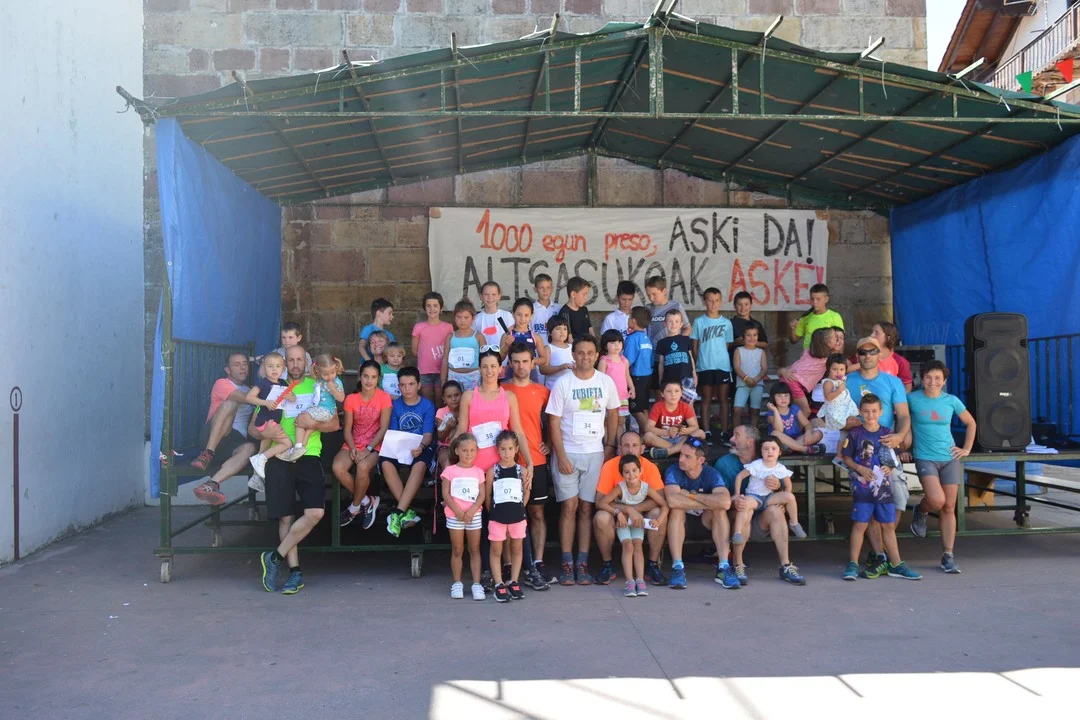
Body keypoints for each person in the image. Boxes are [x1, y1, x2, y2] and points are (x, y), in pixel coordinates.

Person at [259, 345, 340, 595]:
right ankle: (294, 572)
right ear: (285, 363)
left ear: (307, 362)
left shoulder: (318, 384)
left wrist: (310, 421)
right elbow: (254, 427)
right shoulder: (274, 388)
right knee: (286, 517)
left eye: (299, 360)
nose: (295, 364)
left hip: (308, 454)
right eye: (291, 360)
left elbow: (335, 424)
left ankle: (274, 557)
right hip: (279, 455)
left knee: (315, 513)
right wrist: (264, 432)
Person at [546, 335, 621, 585]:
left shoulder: (605, 382)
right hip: (568, 452)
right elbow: (553, 422)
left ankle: (583, 562)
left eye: (590, 353)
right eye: (580, 353)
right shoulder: (563, 383)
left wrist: (610, 445)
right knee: (569, 507)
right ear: (573, 355)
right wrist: (561, 456)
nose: (585, 357)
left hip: (595, 453)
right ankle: (567, 563)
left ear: (597, 355)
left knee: (587, 507)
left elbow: (613, 414)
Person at [839, 394, 922, 581]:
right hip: (862, 488)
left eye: (874, 411)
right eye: (866, 411)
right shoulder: (855, 434)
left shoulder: (887, 434)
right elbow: (846, 458)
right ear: (860, 412)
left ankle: (896, 564)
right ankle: (852, 564)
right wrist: (860, 468)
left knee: (888, 525)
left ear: (881, 412)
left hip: (884, 488)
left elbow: (894, 457)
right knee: (860, 524)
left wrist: (889, 467)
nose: (870, 415)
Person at [850, 335, 912, 576]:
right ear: (857, 356)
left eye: (872, 351)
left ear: (880, 354)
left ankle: (885, 550)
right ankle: (882, 555)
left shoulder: (892, 381)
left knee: (898, 497)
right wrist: (845, 424)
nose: (867, 356)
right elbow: (833, 414)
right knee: (868, 499)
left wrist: (900, 436)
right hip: (860, 451)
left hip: (886, 447)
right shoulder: (846, 381)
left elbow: (904, 415)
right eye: (862, 352)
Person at [714, 425, 806, 586]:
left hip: (761, 518)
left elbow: (784, 486)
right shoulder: (724, 463)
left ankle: (785, 565)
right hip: (736, 518)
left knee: (776, 511)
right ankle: (738, 565)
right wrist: (734, 500)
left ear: (750, 442)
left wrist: (778, 487)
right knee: (745, 508)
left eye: (736, 435)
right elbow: (718, 497)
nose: (731, 439)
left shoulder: (768, 458)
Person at [908, 360, 976, 574]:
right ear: (922, 378)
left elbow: (971, 423)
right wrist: (903, 446)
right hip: (924, 457)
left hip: (949, 457)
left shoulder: (951, 400)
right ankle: (921, 510)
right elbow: (900, 421)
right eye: (928, 377)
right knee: (937, 500)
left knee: (949, 506)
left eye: (938, 378)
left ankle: (948, 555)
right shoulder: (912, 399)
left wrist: (966, 448)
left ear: (944, 381)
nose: (933, 382)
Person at [503, 344, 556, 590]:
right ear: (509, 363)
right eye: (515, 361)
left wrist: (549, 444)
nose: (520, 366)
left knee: (537, 513)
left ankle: (537, 561)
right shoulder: (502, 390)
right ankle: (508, 565)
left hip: (537, 459)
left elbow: (553, 422)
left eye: (525, 361)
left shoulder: (543, 391)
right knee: (508, 516)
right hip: (508, 461)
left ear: (533, 362)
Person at [592, 431, 669, 586]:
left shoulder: (649, 467)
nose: (630, 449)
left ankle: (652, 565)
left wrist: (635, 510)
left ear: (642, 448)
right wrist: (626, 510)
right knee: (601, 517)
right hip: (617, 515)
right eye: (626, 445)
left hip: (642, 514)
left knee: (658, 513)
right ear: (619, 448)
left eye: (634, 445)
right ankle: (607, 565)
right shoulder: (610, 466)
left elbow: (660, 500)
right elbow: (599, 501)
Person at [662, 439, 740, 590]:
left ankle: (723, 567)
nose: (681, 459)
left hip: (705, 523)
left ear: (701, 460)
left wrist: (691, 496)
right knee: (677, 509)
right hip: (680, 524)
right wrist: (710, 501)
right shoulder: (674, 470)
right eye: (681, 454)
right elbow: (672, 500)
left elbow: (725, 502)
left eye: (687, 456)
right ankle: (677, 567)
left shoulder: (711, 473)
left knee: (719, 510)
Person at [191, 352, 257, 505]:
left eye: (245, 364)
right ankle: (207, 453)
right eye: (237, 365)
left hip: (233, 442)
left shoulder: (250, 390)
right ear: (227, 370)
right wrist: (263, 395)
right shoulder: (222, 383)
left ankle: (211, 484)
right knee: (230, 403)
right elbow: (245, 399)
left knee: (250, 448)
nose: (242, 368)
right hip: (214, 436)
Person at [333, 360, 391, 529]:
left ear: (378, 378)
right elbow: (347, 429)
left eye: (373, 377)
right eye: (366, 376)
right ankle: (367, 500)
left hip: (376, 444)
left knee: (363, 467)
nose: (369, 380)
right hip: (354, 442)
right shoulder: (351, 399)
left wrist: (368, 449)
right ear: (360, 376)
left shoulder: (384, 397)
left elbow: (384, 428)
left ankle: (354, 507)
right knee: (338, 467)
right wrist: (352, 448)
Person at [380, 367, 436, 537]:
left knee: (420, 465)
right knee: (385, 462)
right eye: (403, 385)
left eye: (411, 384)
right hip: (400, 445)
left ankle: (397, 513)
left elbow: (428, 435)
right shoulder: (395, 405)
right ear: (399, 386)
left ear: (419, 385)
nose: (407, 389)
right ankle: (406, 511)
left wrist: (421, 447)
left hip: (421, 446)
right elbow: (395, 433)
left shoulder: (427, 405)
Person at [731, 436, 805, 544]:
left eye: (773, 449)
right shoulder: (756, 465)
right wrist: (737, 494)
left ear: (780, 452)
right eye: (766, 449)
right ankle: (738, 532)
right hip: (754, 497)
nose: (770, 451)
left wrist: (783, 502)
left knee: (790, 497)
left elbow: (788, 486)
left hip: (769, 498)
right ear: (761, 451)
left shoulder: (780, 468)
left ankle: (794, 523)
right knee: (744, 504)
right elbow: (739, 477)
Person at [486, 430, 531, 602]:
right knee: (496, 550)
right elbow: (488, 495)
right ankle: (499, 583)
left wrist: (520, 508)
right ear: (497, 450)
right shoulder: (493, 471)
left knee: (517, 549)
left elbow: (526, 492)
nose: (507, 453)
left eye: (510, 448)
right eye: (503, 449)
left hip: (517, 517)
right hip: (497, 518)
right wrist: (493, 513)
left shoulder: (522, 471)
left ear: (516, 449)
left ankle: (514, 580)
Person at [442, 433, 487, 601]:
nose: (469, 454)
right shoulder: (450, 471)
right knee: (457, 549)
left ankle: (476, 584)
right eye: (465, 450)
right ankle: (457, 583)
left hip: (474, 515)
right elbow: (446, 494)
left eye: (472, 450)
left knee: (474, 549)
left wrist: (472, 511)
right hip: (455, 516)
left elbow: (482, 495)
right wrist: (458, 511)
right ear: (457, 451)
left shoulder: (478, 472)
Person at [691, 287, 734, 441]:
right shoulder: (699, 322)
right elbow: (694, 346)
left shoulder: (726, 323)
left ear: (720, 302)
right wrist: (699, 362)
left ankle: (724, 432)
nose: (713, 304)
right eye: (710, 300)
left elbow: (727, 345)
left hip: (722, 366)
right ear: (704, 302)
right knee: (706, 399)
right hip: (704, 366)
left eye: (716, 301)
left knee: (723, 399)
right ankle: (707, 432)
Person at [244, 352, 292, 486]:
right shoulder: (263, 383)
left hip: (273, 421)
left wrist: (291, 397)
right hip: (265, 421)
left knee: (264, 448)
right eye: (270, 366)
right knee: (287, 443)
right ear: (264, 368)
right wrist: (265, 403)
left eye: (278, 366)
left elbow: (293, 398)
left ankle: (256, 478)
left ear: (283, 369)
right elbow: (249, 397)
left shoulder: (283, 383)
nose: (274, 369)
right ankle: (262, 458)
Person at [288, 354, 344, 461]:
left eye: (332, 372)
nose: (330, 377)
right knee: (308, 427)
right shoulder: (319, 380)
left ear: (336, 368)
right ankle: (301, 448)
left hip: (326, 411)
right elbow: (312, 375)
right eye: (326, 374)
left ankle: (298, 447)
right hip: (318, 409)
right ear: (318, 371)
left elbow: (341, 398)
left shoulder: (336, 382)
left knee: (300, 419)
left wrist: (333, 389)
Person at [776, 327, 840, 417]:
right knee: (805, 411)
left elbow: (797, 366)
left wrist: (782, 371)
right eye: (834, 337)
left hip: (789, 378)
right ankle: (794, 427)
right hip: (793, 381)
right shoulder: (827, 360)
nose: (837, 339)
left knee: (792, 410)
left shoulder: (808, 351)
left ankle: (789, 424)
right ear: (827, 342)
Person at [643, 380, 706, 456]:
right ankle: (678, 450)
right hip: (663, 440)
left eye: (676, 391)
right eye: (669, 391)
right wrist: (666, 432)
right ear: (662, 394)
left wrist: (686, 431)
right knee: (647, 436)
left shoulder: (685, 406)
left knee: (700, 433)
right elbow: (648, 428)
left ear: (681, 393)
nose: (673, 394)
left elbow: (695, 427)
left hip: (680, 439)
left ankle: (669, 452)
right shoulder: (657, 406)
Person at [412, 291, 454, 406]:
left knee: (441, 402)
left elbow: (451, 348)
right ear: (424, 308)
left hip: (442, 370)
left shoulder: (448, 327)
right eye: (428, 306)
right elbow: (414, 351)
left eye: (435, 305)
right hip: (425, 371)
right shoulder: (419, 327)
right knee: (428, 403)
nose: (432, 309)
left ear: (441, 308)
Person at [847, 321, 912, 391]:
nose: (871, 335)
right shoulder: (863, 354)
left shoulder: (900, 362)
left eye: (876, 333)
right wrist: (863, 364)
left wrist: (895, 396)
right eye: (872, 332)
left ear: (888, 337)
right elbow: (845, 367)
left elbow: (907, 388)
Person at [499, 297, 549, 383]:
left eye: (526, 315)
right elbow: (499, 358)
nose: (522, 319)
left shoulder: (536, 337)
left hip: (531, 373)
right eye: (519, 315)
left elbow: (544, 359)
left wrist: (532, 361)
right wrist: (506, 347)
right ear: (513, 314)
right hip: (511, 372)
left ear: (531, 316)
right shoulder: (506, 336)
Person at [766, 383, 824, 455]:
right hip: (781, 441)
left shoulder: (794, 408)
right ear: (773, 398)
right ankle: (804, 449)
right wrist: (775, 410)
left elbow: (807, 424)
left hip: (797, 439)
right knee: (775, 433)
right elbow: (779, 430)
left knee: (818, 433)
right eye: (779, 396)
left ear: (790, 397)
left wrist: (808, 433)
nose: (783, 399)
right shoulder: (771, 413)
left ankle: (791, 449)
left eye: (786, 395)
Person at [441, 298, 485, 392]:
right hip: (454, 376)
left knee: (472, 400)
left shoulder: (478, 337)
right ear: (454, 318)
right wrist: (443, 381)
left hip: (474, 377)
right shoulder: (450, 337)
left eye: (466, 317)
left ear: (473, 318)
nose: (462, 320)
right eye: (459, 317)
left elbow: (485, 359)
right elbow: (445, 359)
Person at [789, 283, 844, 349]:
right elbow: (794, 340)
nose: (814, 302)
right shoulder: (805, 317)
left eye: (818, 299)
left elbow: (840, 343)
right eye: (812, 299)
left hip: (827, 355)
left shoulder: (834, 316)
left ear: (826, 299)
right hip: (807, 355)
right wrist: (792, 329)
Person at [655, 308, 696, 394]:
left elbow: (690, 358)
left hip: (686, 376)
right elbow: (661, 363)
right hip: (669, 379)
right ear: (665, 323)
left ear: (681, 324)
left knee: (689, 401)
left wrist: (694, 374)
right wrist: (660, 379)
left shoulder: (686, 339)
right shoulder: (662, 342)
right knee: (671, 400)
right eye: (670, 321)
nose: (673, 324)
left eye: (676, 321)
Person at [732, 326, 767, 428]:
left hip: (757, 384)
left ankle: (753, 432)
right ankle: (736, 432)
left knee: (755, 410)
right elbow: (737, 367)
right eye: (748, 335)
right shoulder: (739, 350)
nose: (752, 338)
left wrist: (756, 379)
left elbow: (764, 368)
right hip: (742, 384)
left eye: (754, 335)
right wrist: (746, 378)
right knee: (737, 409)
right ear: (743, 337)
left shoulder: (761, 352)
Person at [598, 329, 633, 427]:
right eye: (612, 343)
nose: (617, 345)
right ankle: (608, 437)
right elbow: (600, 380)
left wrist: (632, 388)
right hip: (608, 396)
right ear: (605, 345)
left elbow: (627, 375)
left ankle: (620, 438)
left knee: (620, 421)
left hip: (622, 396)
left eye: (619, 342)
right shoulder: (604, 361)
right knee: (607, 421)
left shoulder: (624, 360)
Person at [815, 353, 860, 432]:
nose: (838, 372)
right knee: (850, 424)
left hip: (843, 407)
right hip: (835, 411)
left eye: (841, 370)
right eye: (835, 369)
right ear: (828, 369)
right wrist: (839, 390)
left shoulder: (840, 380)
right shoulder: (828, 382)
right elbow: (828, 397)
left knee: (857, 419)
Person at [644, 275, 690, 344]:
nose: (651, 298)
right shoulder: (646, 309)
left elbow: (688, 328)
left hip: (671, 348)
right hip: (652, 349)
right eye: (648, 295)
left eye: (654, 294)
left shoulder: (676, 306)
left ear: (664, 291)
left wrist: (678, 342)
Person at [435, 380, 463, 477]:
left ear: (462, 394)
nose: (454, 399)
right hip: (445, 446)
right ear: (444, 398)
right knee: (447, 461)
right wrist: (448, 427)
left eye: (456, 395)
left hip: (464, 445)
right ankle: (447, 484)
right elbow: (441, 438)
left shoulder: (466, 409)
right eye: (449, 396)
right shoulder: (441, 412)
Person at [473, 281, 514, 345]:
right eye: (486, 294)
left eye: (494, 294)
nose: (490, 297)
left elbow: (512, 337)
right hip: (484, 351)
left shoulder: (507, 316)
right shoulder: (476, 318)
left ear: (499, 296)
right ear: (481, 296)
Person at [540, 315, 574, 390]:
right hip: (553, 388)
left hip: (570, 387)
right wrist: (560, 367)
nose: (562, 332)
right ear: (550, 332)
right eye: (558, 329)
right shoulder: (548, 348)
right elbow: (543, 369)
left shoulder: (572, 347)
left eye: (565, 329)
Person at [557, 276, 593, 342]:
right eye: (584, 294)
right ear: (573, 294)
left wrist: (594, 344)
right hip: (575, 347)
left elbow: (590, 330)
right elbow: (569, 338)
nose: (586, 298)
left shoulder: (584, 309)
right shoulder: (565, 312)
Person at [359, 298, 395, 362]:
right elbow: (361, 347)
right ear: (378, 313)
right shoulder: (368, 329)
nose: (392, 317)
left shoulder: (390, 335)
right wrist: (370, 362)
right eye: (389, 313)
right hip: (368, 365)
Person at [530, 273, 560, 344]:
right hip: (536, 349)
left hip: (554, 349)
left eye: (548, 287)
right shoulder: (530, 309)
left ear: (552, 289)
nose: (545, 291)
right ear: (535, 289)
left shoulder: (559, 308)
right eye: (541, 288)